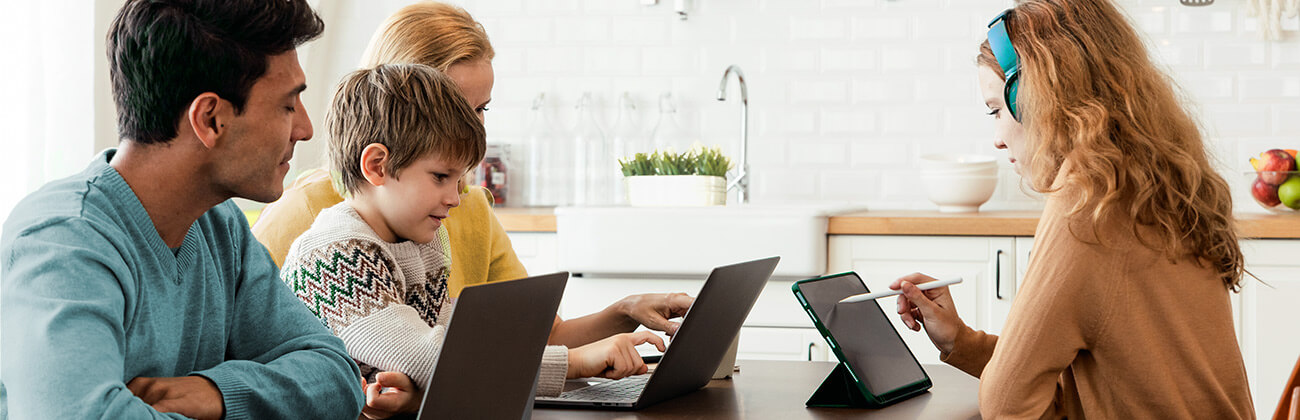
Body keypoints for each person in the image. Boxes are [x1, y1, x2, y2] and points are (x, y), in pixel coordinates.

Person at [251, 4, 695, 414]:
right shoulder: (332, 249)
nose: (458, 193)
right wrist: (574, 363)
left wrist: (619, 317)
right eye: (458, 109)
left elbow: (464, 342)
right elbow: (432, 356)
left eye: (481, 110)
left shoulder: (424, 233)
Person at [0, 0, 364, 419]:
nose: (304, 128)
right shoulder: (62, 241)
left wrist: (219, 393)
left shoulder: (219, 225)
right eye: (288, 104)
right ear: (209, 119)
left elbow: (336, 377)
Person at [889, 1, 1254, 418]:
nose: (997, 137)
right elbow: (1096, 389)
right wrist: (960, 341)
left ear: (1037, 98)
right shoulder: (1160, 185)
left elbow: (1008, 405)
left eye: (996, 110)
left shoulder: (1087, 203)